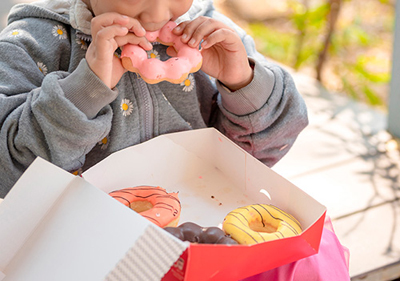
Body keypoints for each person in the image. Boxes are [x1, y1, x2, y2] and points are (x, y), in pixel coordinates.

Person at [0, 0, 307, 198]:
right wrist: (83, 91)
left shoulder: (211, 33)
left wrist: (243, 82)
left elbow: (264, 154)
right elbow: (10, 178)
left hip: (202, 223)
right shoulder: (30, 44)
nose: (159, 15)